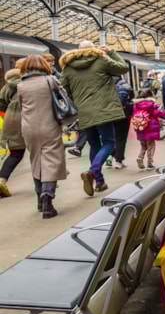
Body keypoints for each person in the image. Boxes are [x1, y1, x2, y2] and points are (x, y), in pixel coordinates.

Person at [60, 41, 129, 196]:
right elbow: (123, 68)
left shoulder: (68, 67)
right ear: (93, 48)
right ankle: (93, 170)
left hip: (84, 111)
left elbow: (63, 89)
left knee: (94, 145)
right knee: (109, 143)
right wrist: (111, 52)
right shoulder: (101, 60)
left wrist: (75, 100)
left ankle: (99, 182)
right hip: (104, 109)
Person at [16, 54, 67, 218]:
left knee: (36, 160)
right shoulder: (50, 80)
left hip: (29, 128)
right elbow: (64, 96)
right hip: (50, 125)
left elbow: (20, 106)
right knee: (51, 160)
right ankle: (47, 197)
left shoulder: (21, 85)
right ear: (44, 66)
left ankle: (39, 199)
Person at [0, 59, 26, 197]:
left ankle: (1, 181)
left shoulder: (7, 86)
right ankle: (47, 181)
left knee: (15, 153)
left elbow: (1, 104)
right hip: (30, 118)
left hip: (11, 120)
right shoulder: (30, 82)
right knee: (38, 151)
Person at [132, 88, 165, 170]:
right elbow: (158, 113)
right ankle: (150, 163)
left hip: (141, 128)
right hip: (151, 128)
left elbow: (133, 115)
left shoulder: (136, 106)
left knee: (143, 145)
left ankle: (140, 157)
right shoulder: (151, 105)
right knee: (151, 146)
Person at [108, 76, 134, 169]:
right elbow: (132, 96)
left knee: (111, 136)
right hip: (124, 115)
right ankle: (119, 160)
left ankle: (110, 156)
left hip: (110, 114)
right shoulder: (124, 84)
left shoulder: (106, 85)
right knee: (121, 138)